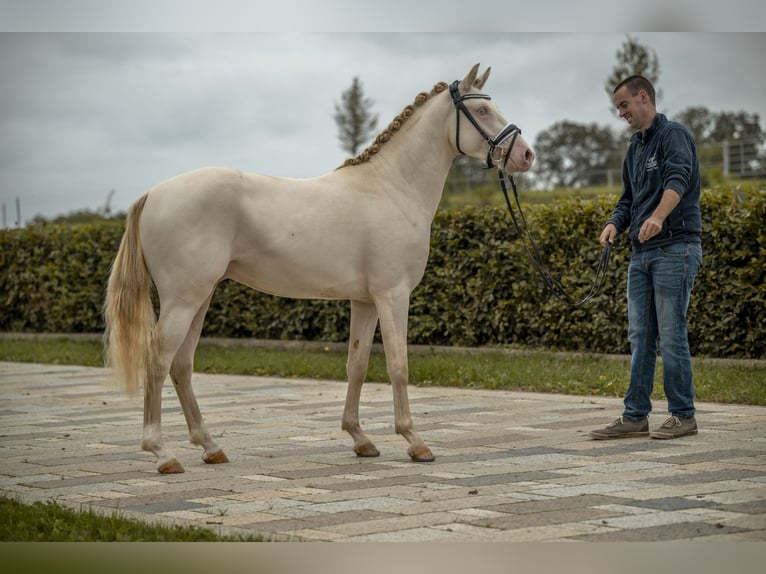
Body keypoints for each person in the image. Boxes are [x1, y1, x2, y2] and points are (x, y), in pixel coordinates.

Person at [590, 75, 703, 440]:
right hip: (641, 256)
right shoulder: (635, 148)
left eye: (624, 105)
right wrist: (613, 224)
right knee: (640, 336)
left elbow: (678, 179)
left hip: (675, 248)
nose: (620, 113)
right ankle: (635, 416)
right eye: (618, 107)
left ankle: (683, 415)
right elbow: (627, 199)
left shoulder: (674, 136)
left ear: (643, 98)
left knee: (671, 334)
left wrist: (657, 216)